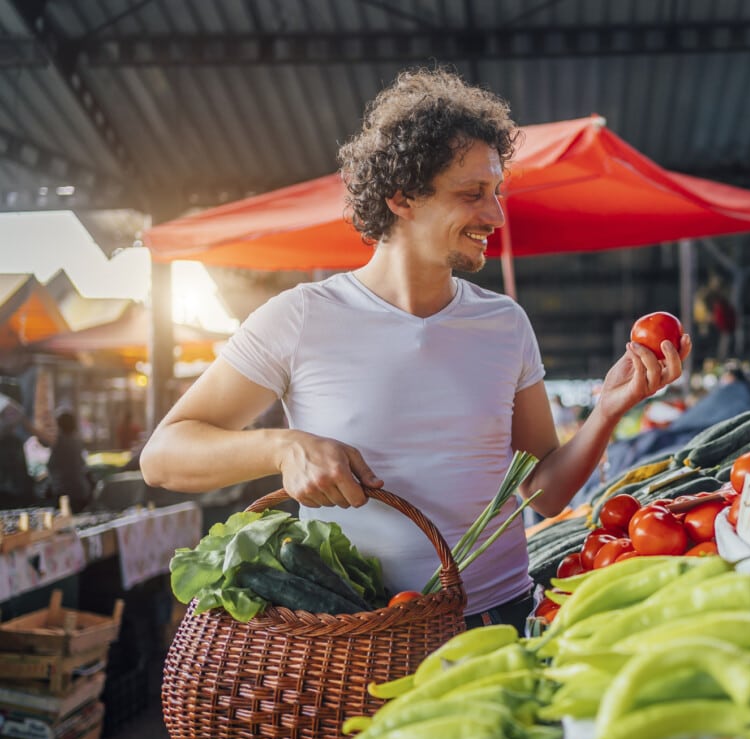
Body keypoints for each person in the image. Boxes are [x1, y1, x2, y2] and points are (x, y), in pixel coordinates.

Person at [139, 67, 691, 629]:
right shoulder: (301, 316)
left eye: (495, 192)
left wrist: (608, 411)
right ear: (401, 197)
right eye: (472, 194)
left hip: (497, 618)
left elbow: (541, 494)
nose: (495, 215)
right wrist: (283, 448)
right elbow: (163, 457)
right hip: (358, 633)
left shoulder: (505, 324)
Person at [47, 408, 93, 513]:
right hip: (80, 489)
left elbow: (52, 465)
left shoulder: (60, 442)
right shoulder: (76, 440)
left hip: (65, 491)